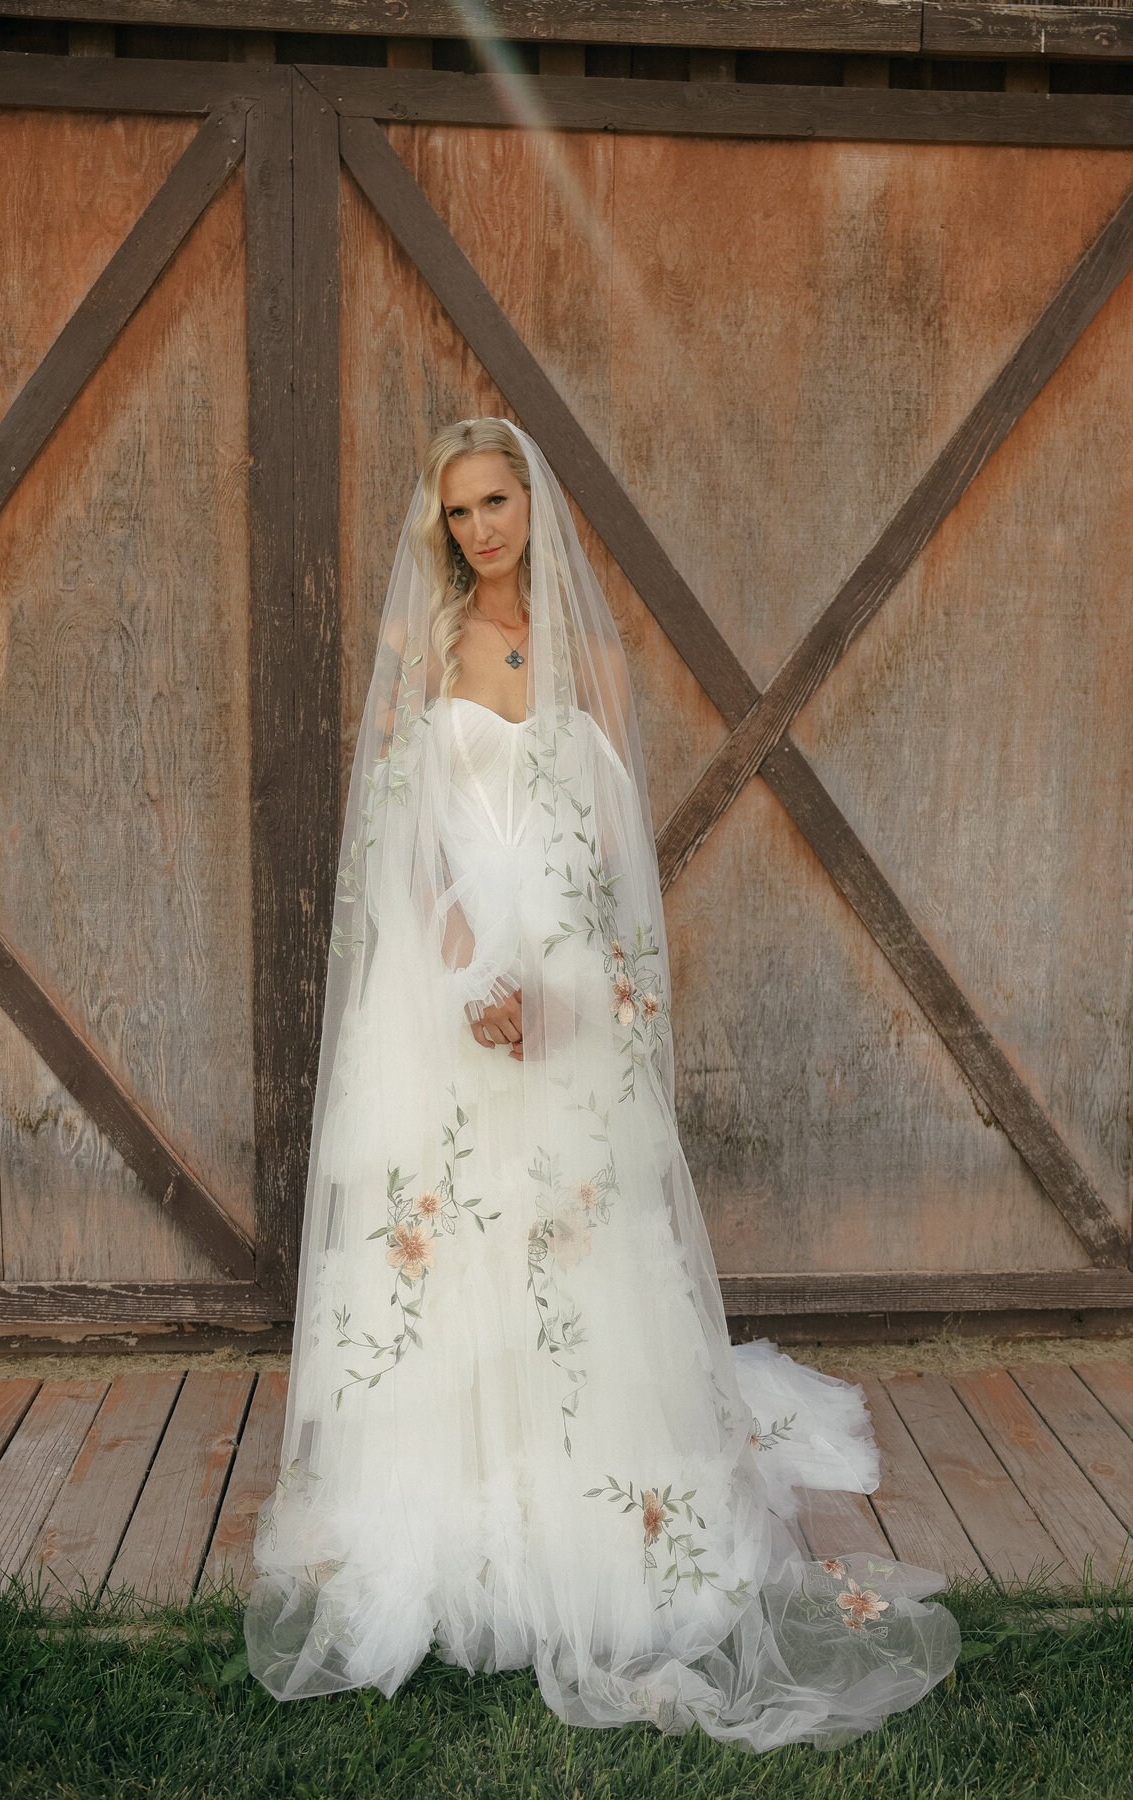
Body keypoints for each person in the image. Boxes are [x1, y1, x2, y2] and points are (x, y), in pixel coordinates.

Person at [243, 417, 960, 1749]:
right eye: (458, 512)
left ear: (532, 503)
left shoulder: (585, 652)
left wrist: (565, 987)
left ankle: (592, 1502)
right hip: (447, 981)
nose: (482, 530)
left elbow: (618, 846)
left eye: (497, 502)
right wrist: (468, 978)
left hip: (565, 980)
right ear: (440, 528)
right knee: (450, 1241)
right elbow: (397, 835)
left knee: (573, 1238)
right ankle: (455, 1506)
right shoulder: (426, 648)